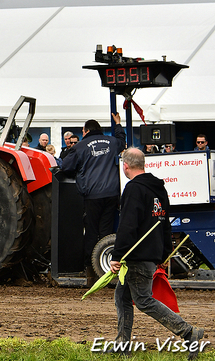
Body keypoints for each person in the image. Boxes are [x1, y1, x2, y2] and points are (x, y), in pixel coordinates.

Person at [109, 148, 204, 358]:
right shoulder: (158, 188)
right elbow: (164, 223)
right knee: (122, 297)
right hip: (150, 254)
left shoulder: (133, 188)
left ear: (125, 165)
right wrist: (163, 254)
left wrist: (117, 255)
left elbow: (127, 224)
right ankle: (122, 347)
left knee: (143, 300)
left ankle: (189, 333)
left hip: (137, 256)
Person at [61, 113, 126, 286]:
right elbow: (121, 140)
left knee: (91, 231)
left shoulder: (81, 146)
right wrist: (118, 124)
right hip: (112, 194)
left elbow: (65, 166)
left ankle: (90, 270)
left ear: (85, 131)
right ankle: (104, 269)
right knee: (105, 231)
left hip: (92, 195)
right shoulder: (112, 142)